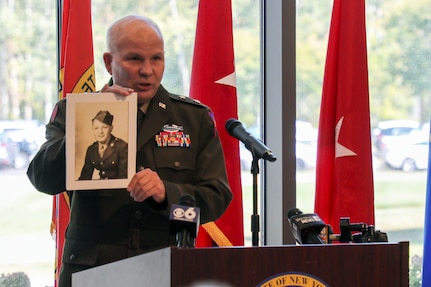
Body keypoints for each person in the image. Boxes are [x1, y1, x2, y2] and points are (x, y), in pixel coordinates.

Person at [27, 14, 232, 287]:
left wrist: (166, 195)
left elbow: (216, 199)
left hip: (164, 268)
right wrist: (92, 118)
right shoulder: (73, 112)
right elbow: (42, 178)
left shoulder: (192, 118)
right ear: (109, 62)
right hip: (92, 270)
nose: (147, 70)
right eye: (135, 59)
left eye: (156, 58)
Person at [79, 110, 128, 180]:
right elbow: (85, 177)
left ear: (111, 128)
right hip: (98, 189)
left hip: (117, 189)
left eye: (104, 127)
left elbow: (124, 179)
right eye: (96, 128)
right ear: (92, 129)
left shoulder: (122, 147)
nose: (100, 132)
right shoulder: (91, 149)